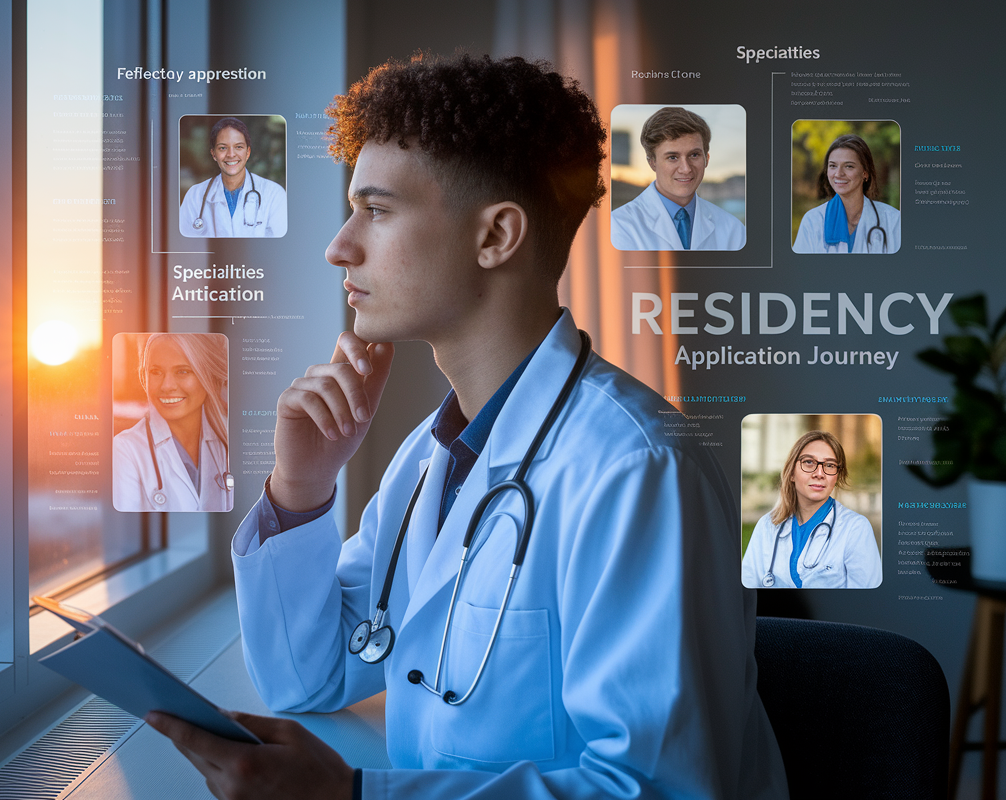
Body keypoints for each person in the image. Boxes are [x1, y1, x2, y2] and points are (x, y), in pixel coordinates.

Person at [147, 55, 788, 799]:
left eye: (377, 210)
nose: (339, 245)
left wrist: (355, 797)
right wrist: (302, 488)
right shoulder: (433, 458)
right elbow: (307, 678)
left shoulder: (637, 469)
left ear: (496, 236)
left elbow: (658, 790)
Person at [742, 430, 882, 589]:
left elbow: (866, 603)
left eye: (830, 465)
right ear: (792, 473)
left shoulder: (856, 529)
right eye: (809, 462)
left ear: (836, 478)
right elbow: (745, 592)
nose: (820, 473)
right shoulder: (767, 526)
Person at [112, 333, 232, 512]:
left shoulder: (229, 441)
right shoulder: (125, 449)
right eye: (156, 372)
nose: (167, 386)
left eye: (182, 371)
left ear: (207, 376)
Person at [610, 106, 746, 251]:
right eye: (672, 157)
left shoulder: (733, 229)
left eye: (694, 155)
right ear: (652, 162)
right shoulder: (618, 227)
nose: (686, 168)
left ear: (706, 159)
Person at [179, 117, 288, 238]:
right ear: (213, 154)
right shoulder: (194, 196)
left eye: (238, 147)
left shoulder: (274, 195)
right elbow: (182, 245)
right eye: (223, 148)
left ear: (248, 152)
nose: (231, 154)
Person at [792, 133, 900, 254]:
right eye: (833, 166)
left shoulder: (893, 220)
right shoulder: (812, 221)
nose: (838, 174)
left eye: (848, 166)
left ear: (865, 172)